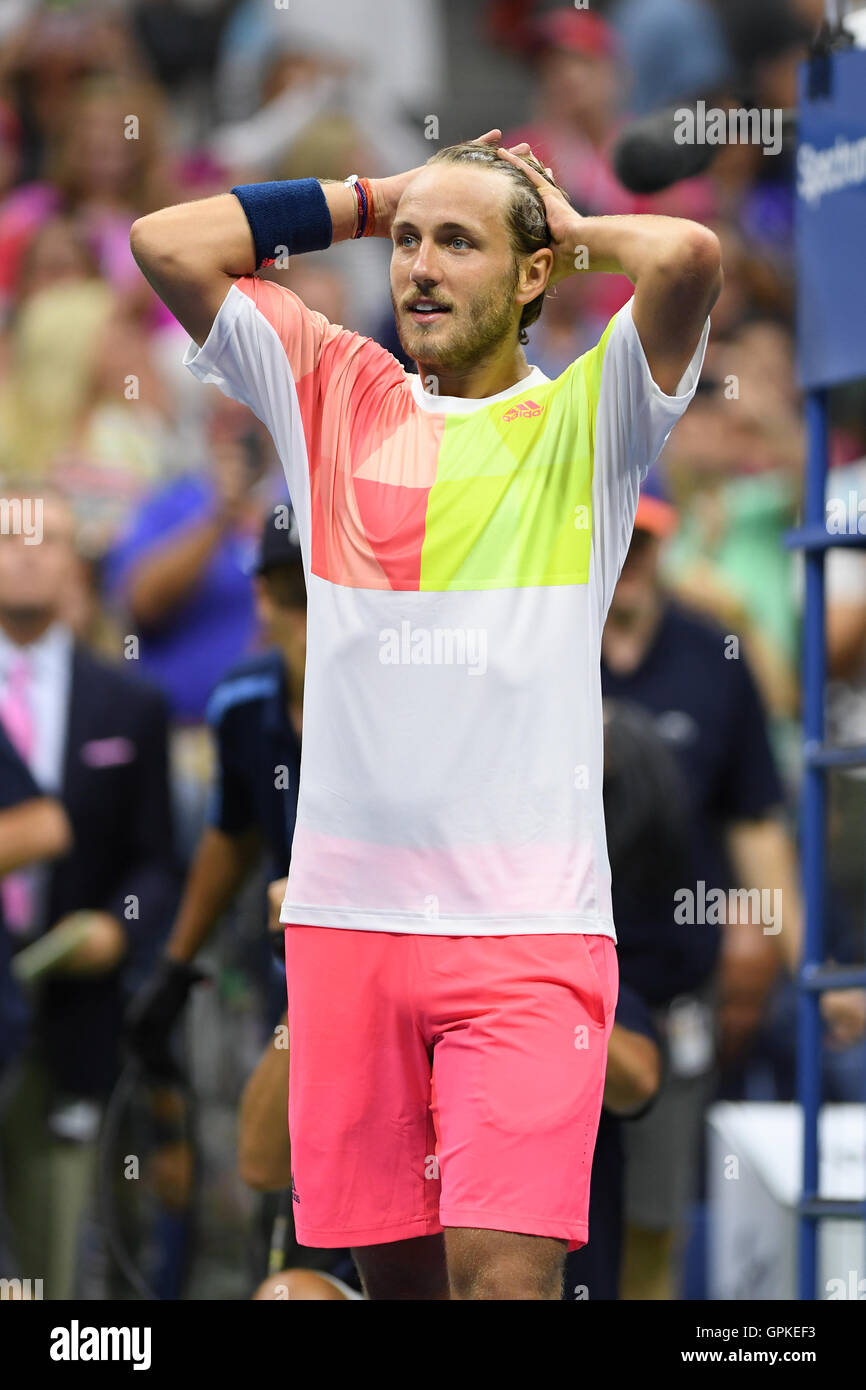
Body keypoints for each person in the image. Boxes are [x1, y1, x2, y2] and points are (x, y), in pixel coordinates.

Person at [129, 127, 721, 1300]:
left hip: (527, 932)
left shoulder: (588, 423)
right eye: (406, 244)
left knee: (498, 1282)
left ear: (533, 270)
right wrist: (372, 195)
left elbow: (688, 255)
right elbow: (168, 243)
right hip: (350, 932)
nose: (418, 266)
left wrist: (567, 222)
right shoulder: (334, 388)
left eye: (457, 243)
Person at [0, 484, 179, 1299]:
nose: (31, 550)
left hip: (75, 1010)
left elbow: (157, 858)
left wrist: (119, 925)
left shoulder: (130, 701)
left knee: (56, 1260)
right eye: (13, 536)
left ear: (77, 560)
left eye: (49, 537)